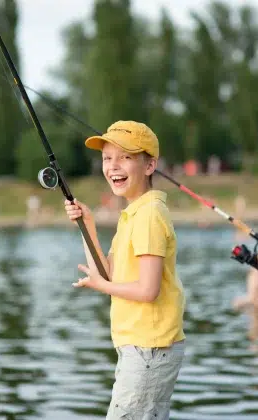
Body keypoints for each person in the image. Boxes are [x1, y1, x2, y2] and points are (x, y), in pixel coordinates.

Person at [64, 120, 186, 419]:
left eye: (125, 157)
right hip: (141, 349)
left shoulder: (148, 215)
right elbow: (108, 274)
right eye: (107, 158)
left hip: (148, 349)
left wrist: (100, 286)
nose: (113, 166)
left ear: (149, 166)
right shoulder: (134, 213)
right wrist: (87, 224)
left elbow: (147, 290)